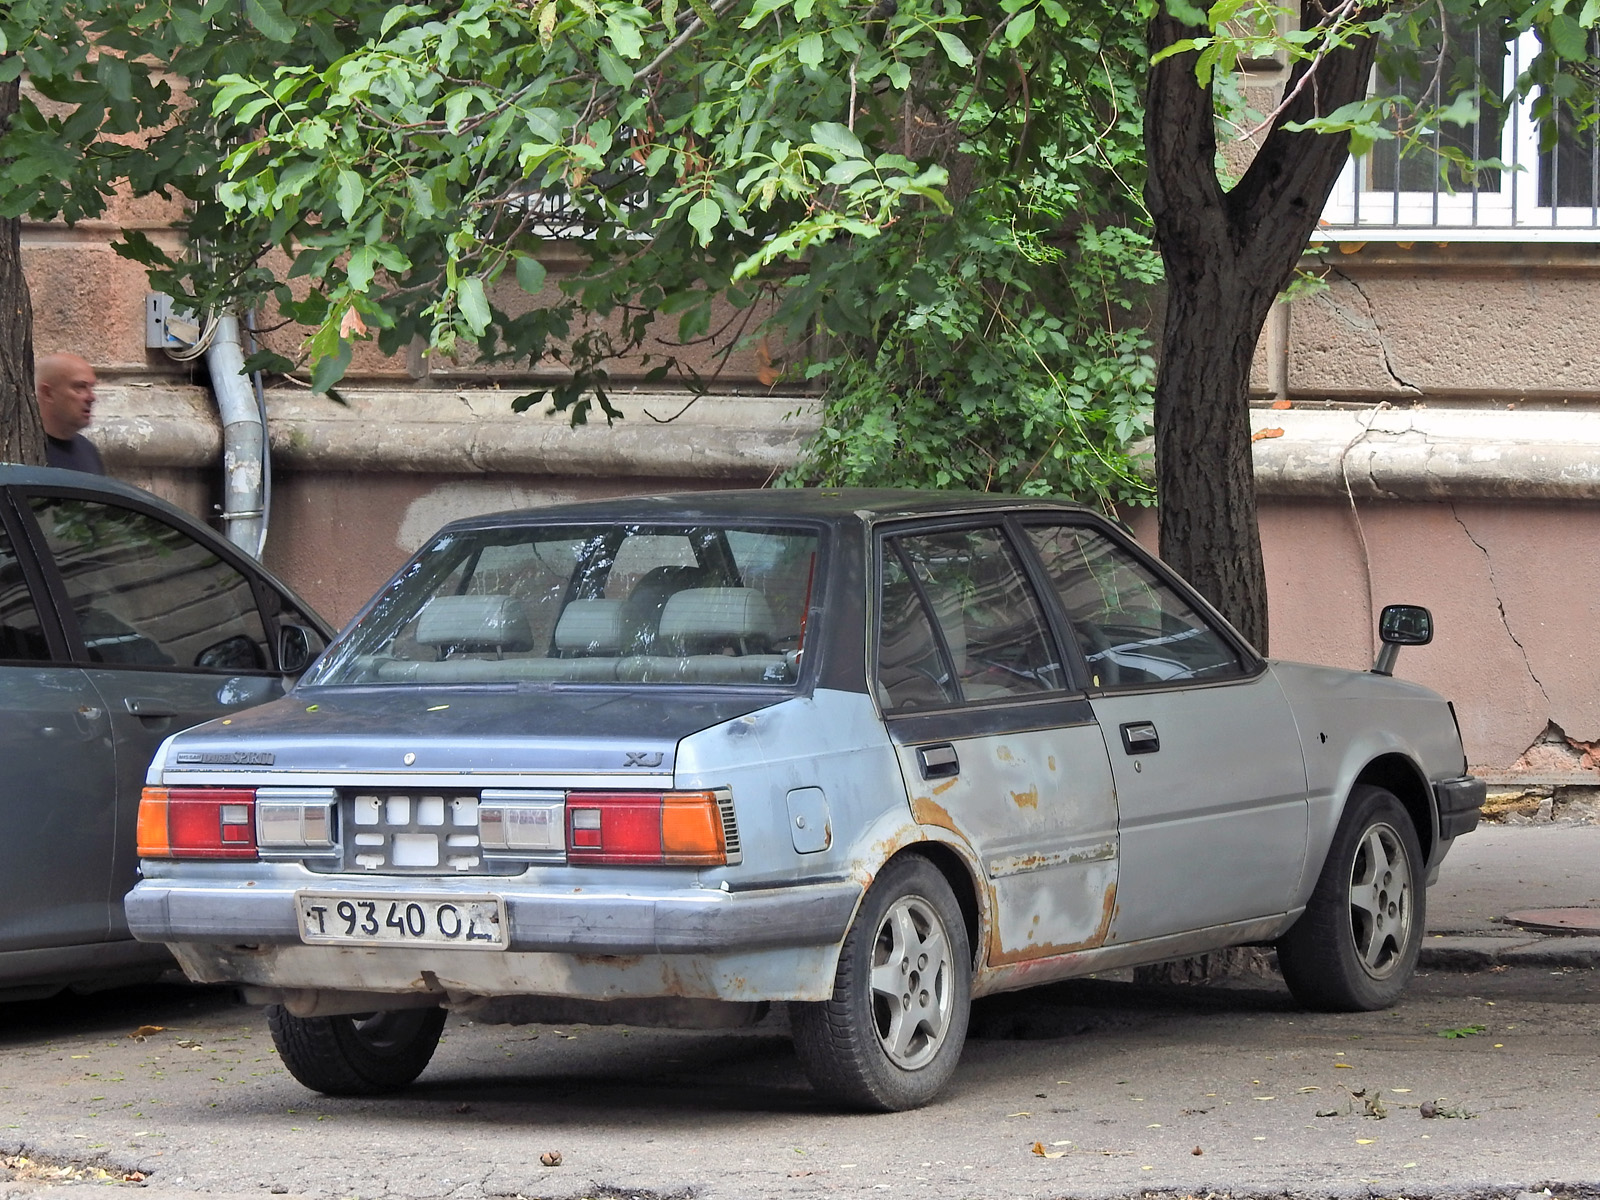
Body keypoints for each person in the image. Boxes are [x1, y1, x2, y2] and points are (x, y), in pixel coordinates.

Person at [35, 352, 106, 475]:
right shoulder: (22, 448)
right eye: (80, 387)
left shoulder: (88, 451)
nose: (91, 397)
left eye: (91, 387)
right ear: (48, 393)